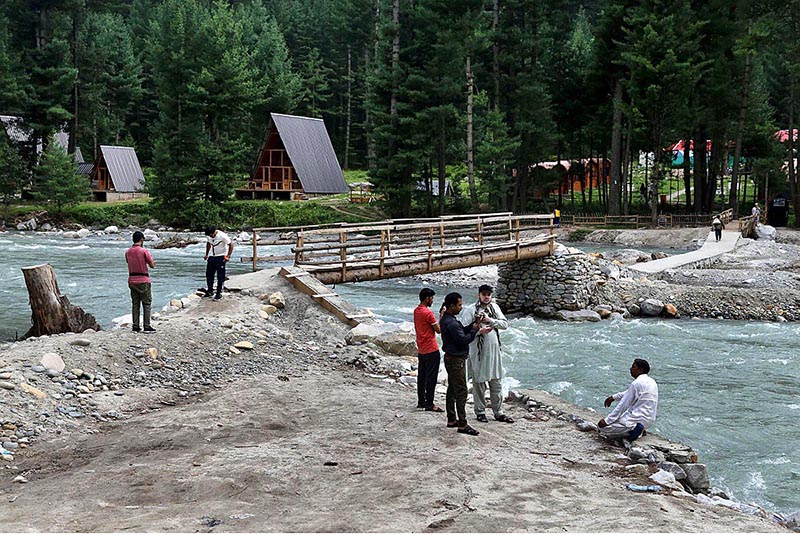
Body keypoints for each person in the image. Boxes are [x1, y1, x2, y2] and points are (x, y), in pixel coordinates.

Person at [458, 285, 514, 424]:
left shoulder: (494, 308)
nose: (486, 297)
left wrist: (490, 320)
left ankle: (498, 412)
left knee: (496, 383)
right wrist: (479, 332)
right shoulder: (471, 310)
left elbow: (505, 324)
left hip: (494, 353)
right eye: (484, 294)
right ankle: (480, 412)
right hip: (478, 353)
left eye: (489, 294)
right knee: (479, 384)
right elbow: (463, 331)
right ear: (479, 295)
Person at [440, 292, 492, 436]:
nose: (461, 308)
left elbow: (461, 331)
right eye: (459, 305)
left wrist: (473, 325)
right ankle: (462, 423)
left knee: (452, 388)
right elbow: (463, 340)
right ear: (452, 306)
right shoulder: (452, 323)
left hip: (450, 358)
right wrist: (475, 330)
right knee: (461, 391)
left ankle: (452, 418)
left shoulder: (447, 319)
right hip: (456, 360)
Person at [598, 358, 658, 443]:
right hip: (649, 420)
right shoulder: (652, 382)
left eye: (633, 367)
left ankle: (633, 431)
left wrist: (607, 420)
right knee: (621, 420)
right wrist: (613, 397)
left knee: (603, 429)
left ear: (640, 370)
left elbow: (623, 404)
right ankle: (640, 429)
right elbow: (628, 393)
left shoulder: (636, 383)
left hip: (636, 418)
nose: (630, 369)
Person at [414, 288, 443, 413]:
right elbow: (439, 330)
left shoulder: (416, 311)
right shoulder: (428, 313)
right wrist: (441, 317)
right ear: (427, 298)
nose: (432, 300)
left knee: (422, 376)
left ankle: (421, 401)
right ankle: (430, 403)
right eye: (432, 298)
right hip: (431, 348)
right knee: (431, 378)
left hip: (421, 348)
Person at [125, 230, 155, 333]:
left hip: (132, 280)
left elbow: (128, 262)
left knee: (135, 304)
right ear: (142, 239)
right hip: (143, 280)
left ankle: (135, 326)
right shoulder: (144, 251)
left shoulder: (127, 252)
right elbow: (152, 265)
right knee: (146, 303)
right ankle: (147, 326)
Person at [203, 227, 233, 300]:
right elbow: (208, 244)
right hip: (212, 256)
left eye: (211, 235)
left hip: (221, 256)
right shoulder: (209, 236)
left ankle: (218, 293)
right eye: (209, 235)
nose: (210, 236)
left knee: (220, 276)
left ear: (214, 232)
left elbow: (231, 245)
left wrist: (228, 256)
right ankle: (210, 290)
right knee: (209, 274)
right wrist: (206, 254)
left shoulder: (222, 236)